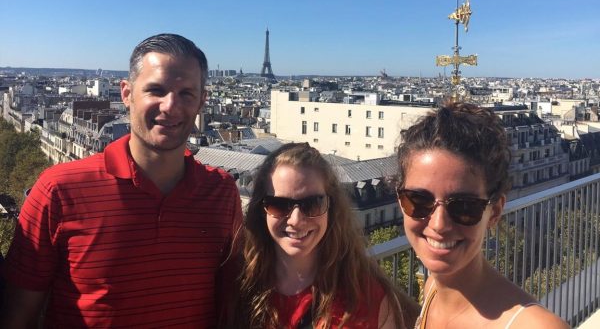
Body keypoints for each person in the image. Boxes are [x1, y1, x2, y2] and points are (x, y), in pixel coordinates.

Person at [2, 33, 243, 328]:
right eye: (156, 90)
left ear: (202, 101)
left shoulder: (222, 192)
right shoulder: (57, 190)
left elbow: (231, 305)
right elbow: (18, 315)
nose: (170, 106)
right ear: (126, 94)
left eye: (186, 93)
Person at [395, 102, 569, 329]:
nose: (439, 224)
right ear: (400, 200)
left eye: (464, 206)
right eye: (418, 200)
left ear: (494, 211)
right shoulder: (432, 290)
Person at [237, 142, 419, 329]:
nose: (296, 220)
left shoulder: (369, 300)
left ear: (331, 208)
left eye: (313, 204)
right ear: (262, 210)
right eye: (279, 204)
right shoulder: (238, 286)